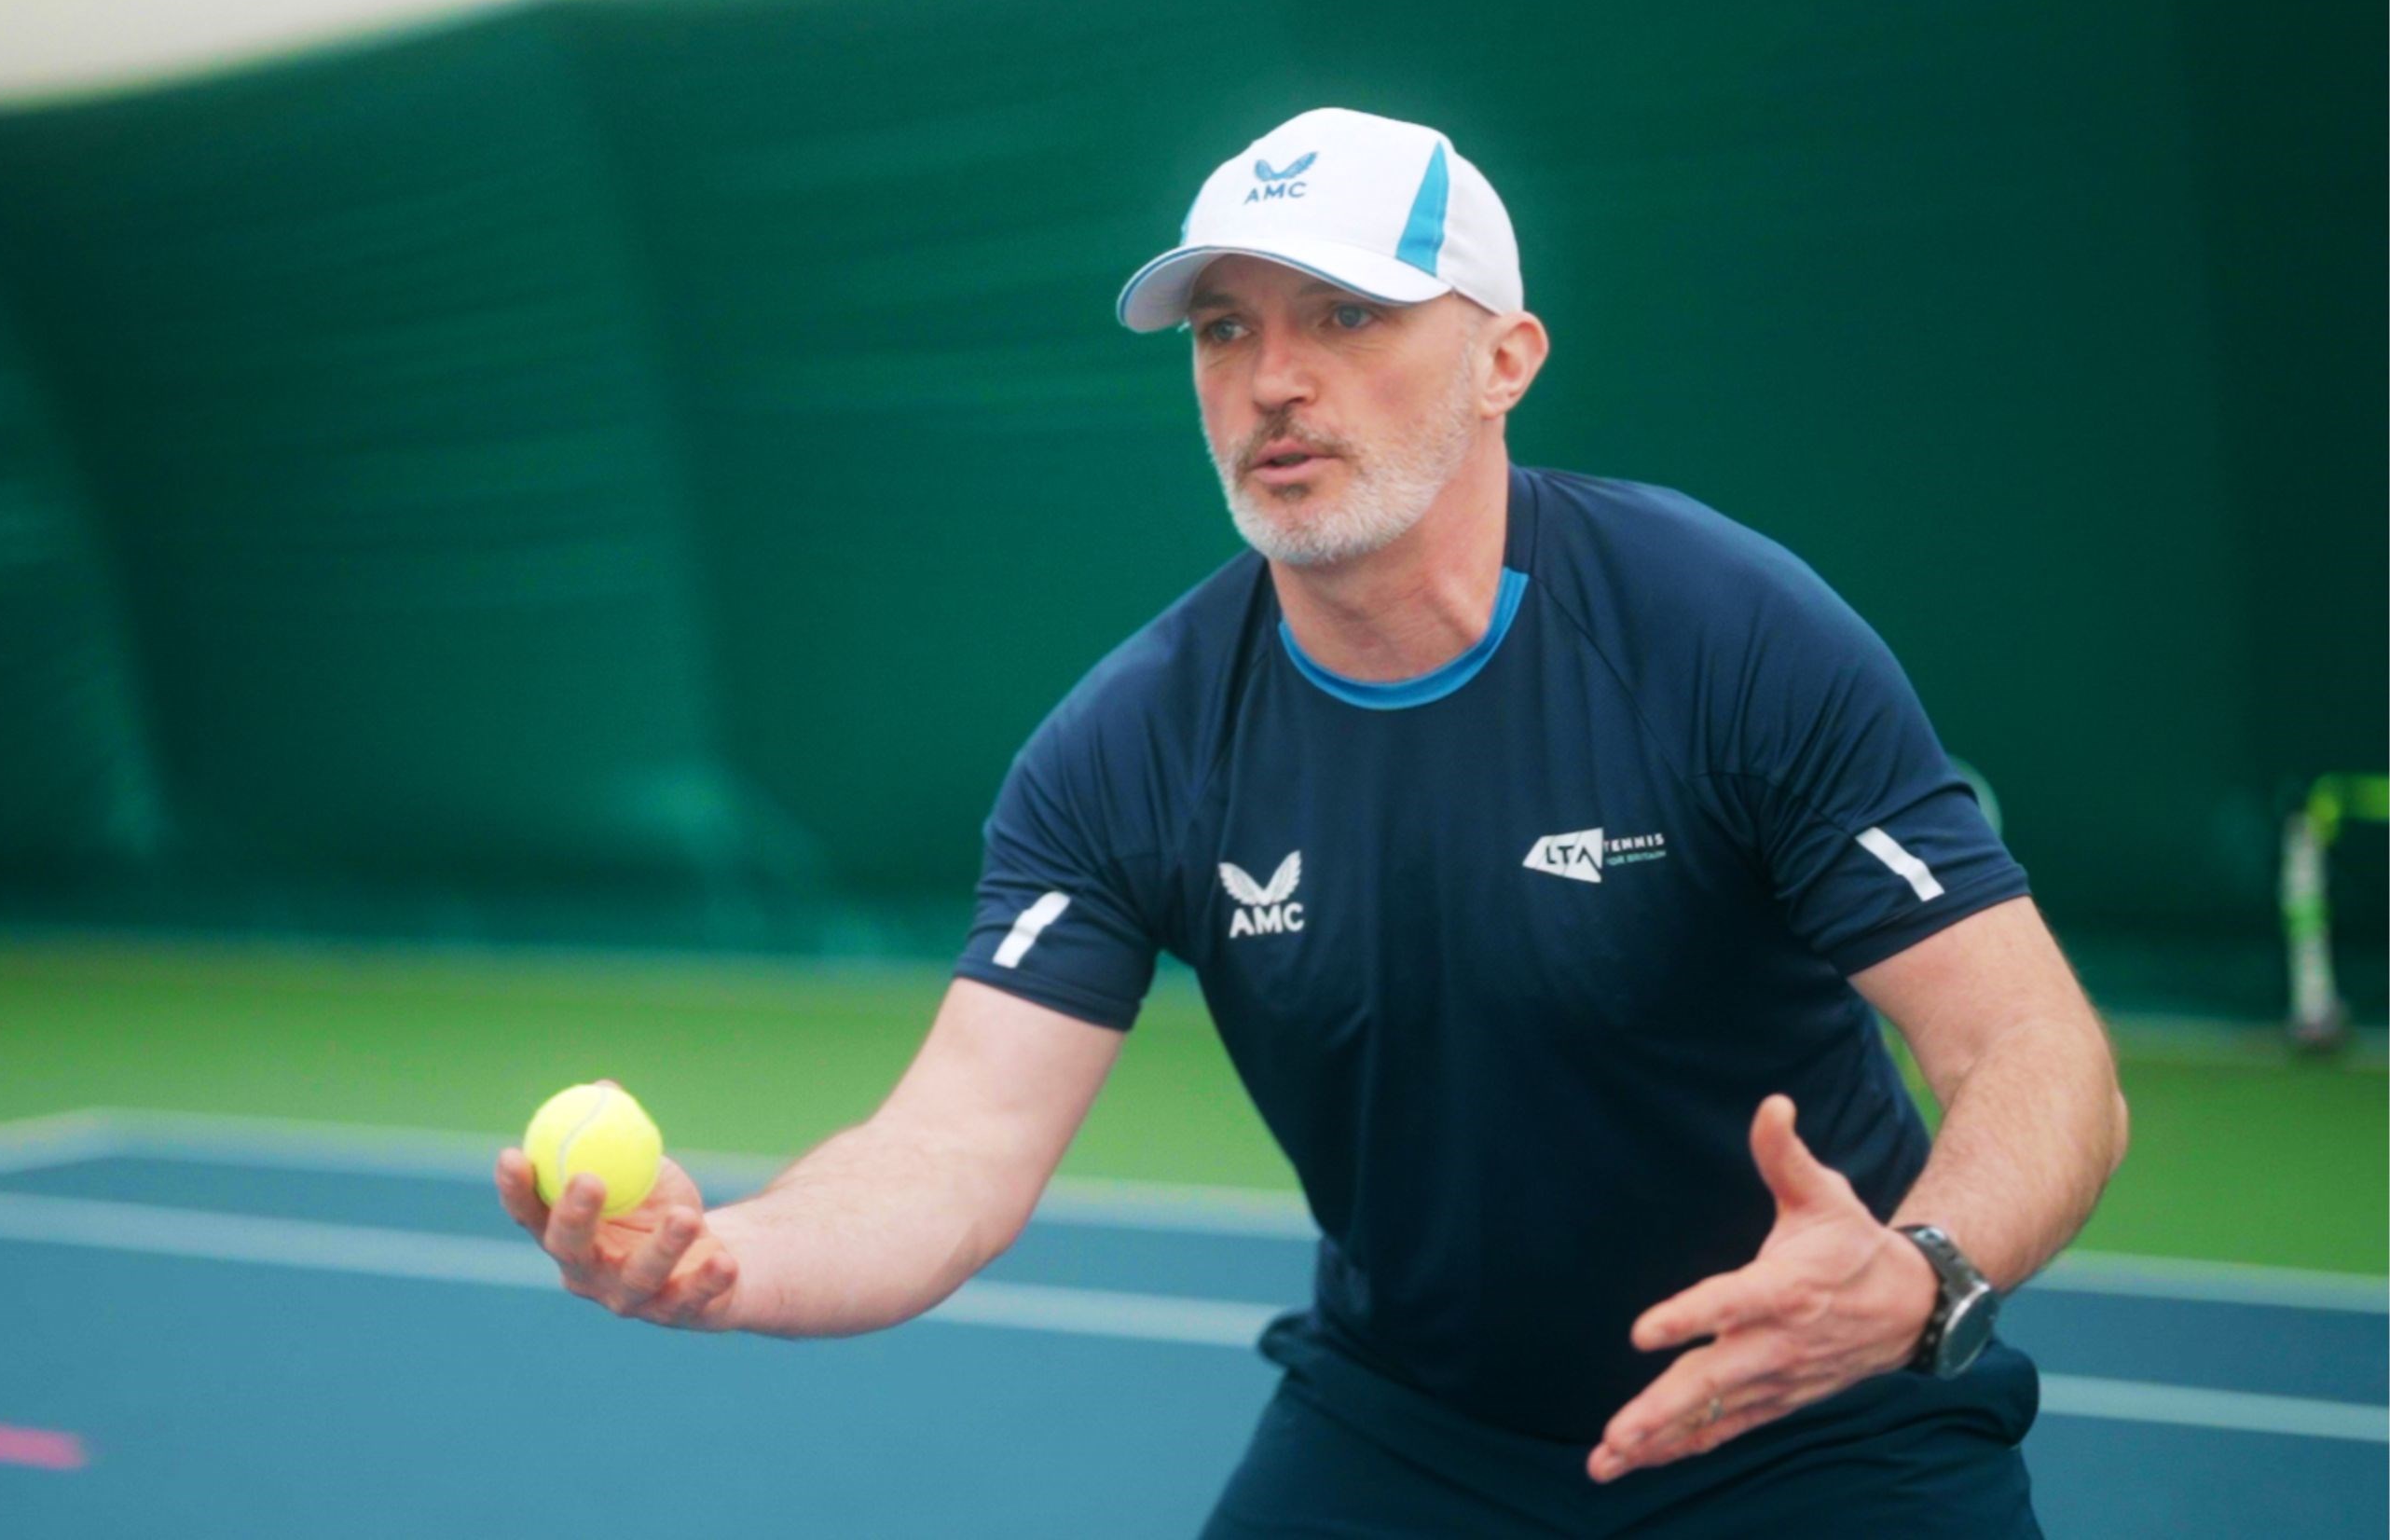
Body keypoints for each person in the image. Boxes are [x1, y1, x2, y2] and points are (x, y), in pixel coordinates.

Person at [494, 107, 2130, 1535]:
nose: (1273, 380)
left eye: (1347, 313)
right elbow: (953, 1150)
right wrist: (735, 1262)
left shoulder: (1724, 634)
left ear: (1507, 358)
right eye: (1223, 329)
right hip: (1414, 1432)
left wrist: (1916, 1276)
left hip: (1817, 1420)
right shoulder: (1128, 745)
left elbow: (2034, 1054)